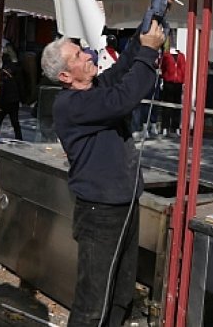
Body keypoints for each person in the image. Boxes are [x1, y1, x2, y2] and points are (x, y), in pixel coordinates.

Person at [41, 21, 165, 327]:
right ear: (65, 76)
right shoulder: (72, 104)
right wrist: (149, 51)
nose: (87, 56)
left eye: (83, 50)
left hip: (124, 203)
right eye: (78, 57)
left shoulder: (95, 88)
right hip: (100, 211)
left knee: (122, 291)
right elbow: (124, 97)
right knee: (93, 302)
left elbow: (123, 68)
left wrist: (146, 26)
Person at [0, 54, 23, 140]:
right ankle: (19, 138)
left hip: (5, 102)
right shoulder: (16, 73)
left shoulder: (3, 75)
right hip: (14, 100)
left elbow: (2, 91)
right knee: (15, 122)